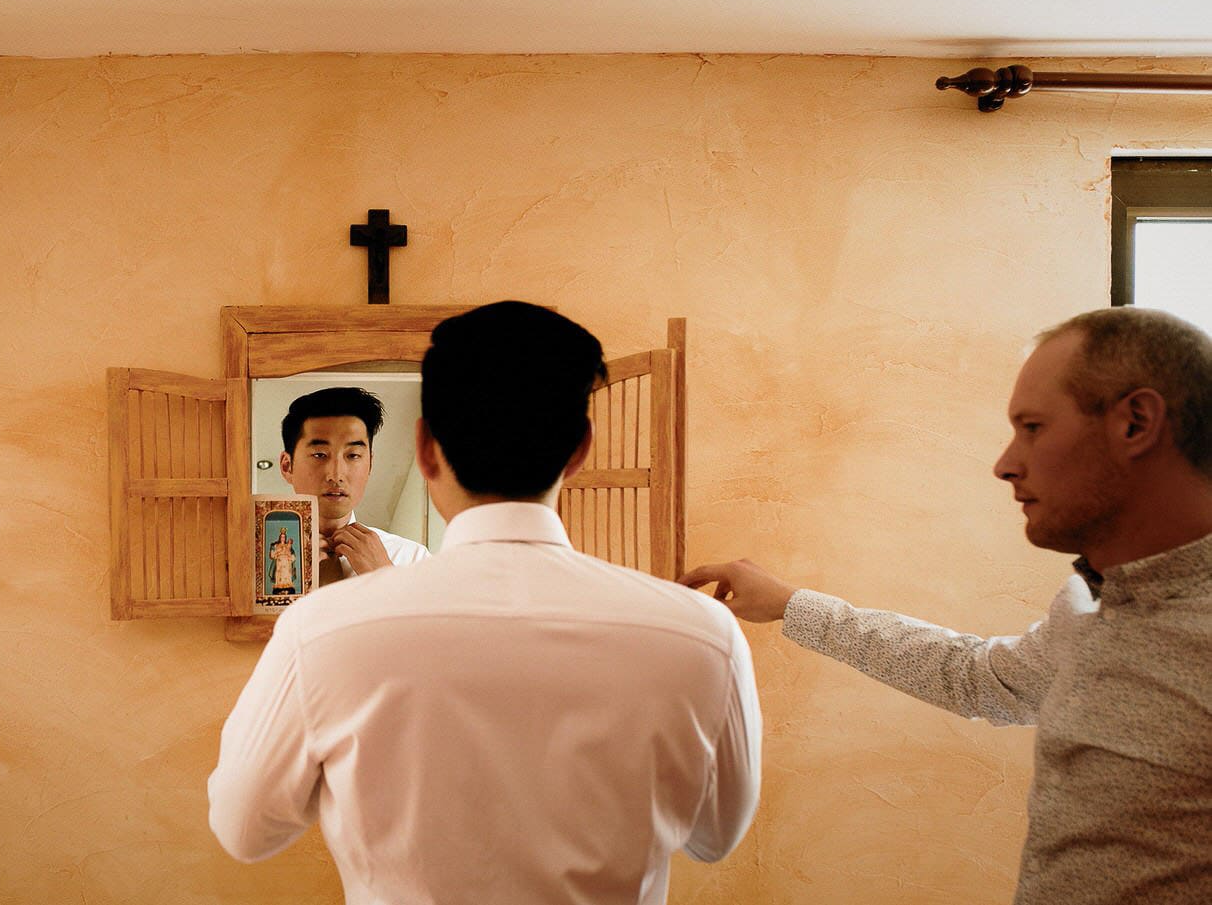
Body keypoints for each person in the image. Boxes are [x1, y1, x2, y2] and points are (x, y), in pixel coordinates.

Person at [209, 302, 762, 905]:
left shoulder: (317, 631)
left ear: (424, 449)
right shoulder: (701, 633)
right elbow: (716, 836)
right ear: (580, 449)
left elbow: (245, 831)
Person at [682, 307, 1212, 905]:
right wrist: (793, 606)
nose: (1005, 463)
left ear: (1135, 423)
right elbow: (978, 678)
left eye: (1032, 427)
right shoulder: (1090, 607)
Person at [278, 386, 428, 583]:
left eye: (353, 456)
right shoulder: (251, 562)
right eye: (319, 455)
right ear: (287, 466)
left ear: (370, 464)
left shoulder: (414, 560)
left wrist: (386, 578)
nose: (336, 474)